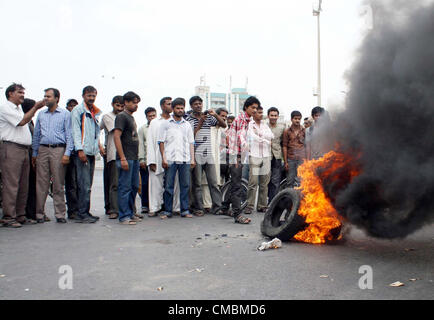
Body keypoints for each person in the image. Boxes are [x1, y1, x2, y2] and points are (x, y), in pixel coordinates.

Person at [0, 83, 45, 228]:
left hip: (23, 149)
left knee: (23, 184)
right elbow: (22, 122)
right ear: (10, 94)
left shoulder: (19, 109)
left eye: (23, 92)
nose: (22, 95)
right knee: (11, 184)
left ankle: (20, 215)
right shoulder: (6, 108)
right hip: (11, 148)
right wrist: (35, 107)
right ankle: (8, 217)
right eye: (19, 92)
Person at [32, 88, 74, 223]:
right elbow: (37, 135)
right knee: (41, 183)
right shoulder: (41, 114)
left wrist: (67, 153)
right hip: (43, 150)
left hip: (58, 150)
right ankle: (39, 214)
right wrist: (34, 153)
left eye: (48, 96)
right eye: (44, 96)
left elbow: (69, 135)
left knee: (58, 183)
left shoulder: (65, 114)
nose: (46, 99)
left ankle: (60, 214)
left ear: (57, 98)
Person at [220, 96, 259, 224]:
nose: (254, 110)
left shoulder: (247, 120)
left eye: (256, 108)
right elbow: (238, 138)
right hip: (235, 155)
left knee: (234, 182)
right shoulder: (242, 119)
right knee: (237, 185)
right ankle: (237, 215)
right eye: (252, 107)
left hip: (237, 154)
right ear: (246, 107)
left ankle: (225, 207)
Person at [186, 96, 226, 216]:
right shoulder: (189, 120)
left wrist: (215, 114)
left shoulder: (210, 118)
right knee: (197, 183)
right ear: (191, 106)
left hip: (208, 154)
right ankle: (198, 208)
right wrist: (201, 122)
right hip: (196, 154)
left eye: (200, 103)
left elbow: (223, 125)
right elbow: (190, 136)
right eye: (195, 104)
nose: (198, 105)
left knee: (213, 182)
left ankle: (217, 207)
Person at [158, 98, 195, 219]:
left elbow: (191, 143)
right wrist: (164, 158)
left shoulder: (187, 125)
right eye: (178, 108)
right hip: (170, 159)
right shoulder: (166, 124)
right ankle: (167, 211)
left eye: (182, 108)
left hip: (185, 159)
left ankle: (184, 210)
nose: (180, 110)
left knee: (185, 186)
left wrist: (192, 159)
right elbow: (161, 142)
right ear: (173, 109)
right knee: (168, 186)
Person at [70, 85, 102, 223]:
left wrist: (97, 148)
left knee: (87, 184)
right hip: (82, 152)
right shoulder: (78, 111)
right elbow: (76, 131)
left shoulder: (94, 112)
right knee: (83, 184)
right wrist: (80, 150)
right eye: (89, 95)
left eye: (93, 95)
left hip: (91, 152)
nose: (91, 98)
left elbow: (96, 134)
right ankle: (82, 213)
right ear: (83, 96)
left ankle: (85, 211)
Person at [147, 97, 180, 217]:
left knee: (175, 183)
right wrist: (151, 160)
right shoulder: (155, 122)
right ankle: (154, 207)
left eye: (172, 104)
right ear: (162, 106)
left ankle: (176, 207)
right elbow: (150, 142)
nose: (171, 106)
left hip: (174, 156)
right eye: (168, 104)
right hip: (157, 156)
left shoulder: (175, 121)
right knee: (156, 182)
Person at [113, 92, 141, 225]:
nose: (136, 105)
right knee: (125, 187)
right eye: (134, 102)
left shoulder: (131, 118)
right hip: (126, 158)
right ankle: (124, 216)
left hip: (134, 158)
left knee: (134, 186)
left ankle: (130, 212)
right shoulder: (121, 117)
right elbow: (116, 136)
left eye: (137, 102)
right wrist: (122, 158)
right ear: (126, 102)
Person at [245, 105, 274, 214]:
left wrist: (261, 135)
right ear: (254, 113)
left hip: (266, 156)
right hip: (255, 156)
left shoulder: (265, 125)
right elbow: (251, 137)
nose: (261, 115)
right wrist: (265, 140)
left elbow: (271, 136)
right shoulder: (249, 125)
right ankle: (250, 205)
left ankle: (262, 205)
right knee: (253, 182)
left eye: (262, 112)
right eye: (258, 112)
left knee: (264, 182)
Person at [100, 96, 124, 219]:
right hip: (113, 154)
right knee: (114, 183)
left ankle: (125, 209)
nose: (120, 108)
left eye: (122, 106)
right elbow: (116, 132)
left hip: (126, 154)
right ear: (112, 104)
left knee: (125, 184)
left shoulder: (126, 117)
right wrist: (99, 146)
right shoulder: (108, 117)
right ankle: (113, 209)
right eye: (117, 105)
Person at [202, 107, 229, 210]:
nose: (224, 118)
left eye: (226, 117)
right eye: (222, 116)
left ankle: (215, 204)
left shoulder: (221, 129)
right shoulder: (209, 127)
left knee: (215, 181)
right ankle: (206, 204)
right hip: (207, 157)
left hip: (217, 159)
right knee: (205, 182)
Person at [138, 107, 157, 214]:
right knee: (145, 183)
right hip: (145, 160)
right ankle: (145, 205)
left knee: (157, 184)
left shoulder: (159, 127)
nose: (152, 117)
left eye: (154, 115)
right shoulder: (143, 129)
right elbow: (140, 144)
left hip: (157, 160)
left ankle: (156, 204)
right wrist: (141, 159)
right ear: (146, 117)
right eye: (150, 116)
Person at [21, 99, 37, 223]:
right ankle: (26, 213)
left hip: (31, 156)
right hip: (26, 155)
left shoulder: (30, 122)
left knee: (31, 185)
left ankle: (31, 212)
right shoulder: (24, 121)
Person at [64, 98, 80, 220]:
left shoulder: (79, 119)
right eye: (70, 106)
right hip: (68, 153)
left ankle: (80, 209)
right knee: (71, 184)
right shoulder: (66, 118)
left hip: (79, 153)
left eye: (75, 106)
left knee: (81, 183)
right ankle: (72, 210)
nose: (73, 108)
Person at [283, 111, 306, 188]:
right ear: (291, 119)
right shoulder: (287, 131)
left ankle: (300, 199)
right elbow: (284, 146)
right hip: (291, 159)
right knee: (290, 180)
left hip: (301, 159)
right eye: (295, 118)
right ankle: (289, 199)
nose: (297, 120)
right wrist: (286, 162)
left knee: (301, 181)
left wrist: (307, 159)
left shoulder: (304, 131)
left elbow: (307, 145)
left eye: (299, 119)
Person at [266, 107, 285, 203]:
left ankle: (272, 202)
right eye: (271, 115)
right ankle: (263, 202)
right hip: (265, 156)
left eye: (275, 115)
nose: (273, 117)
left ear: (278, 116)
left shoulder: (282, 127)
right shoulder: (264, 126)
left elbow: (284, 143)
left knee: (275, 181)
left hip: (277, 156)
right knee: (265, 180)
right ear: (268, 116)